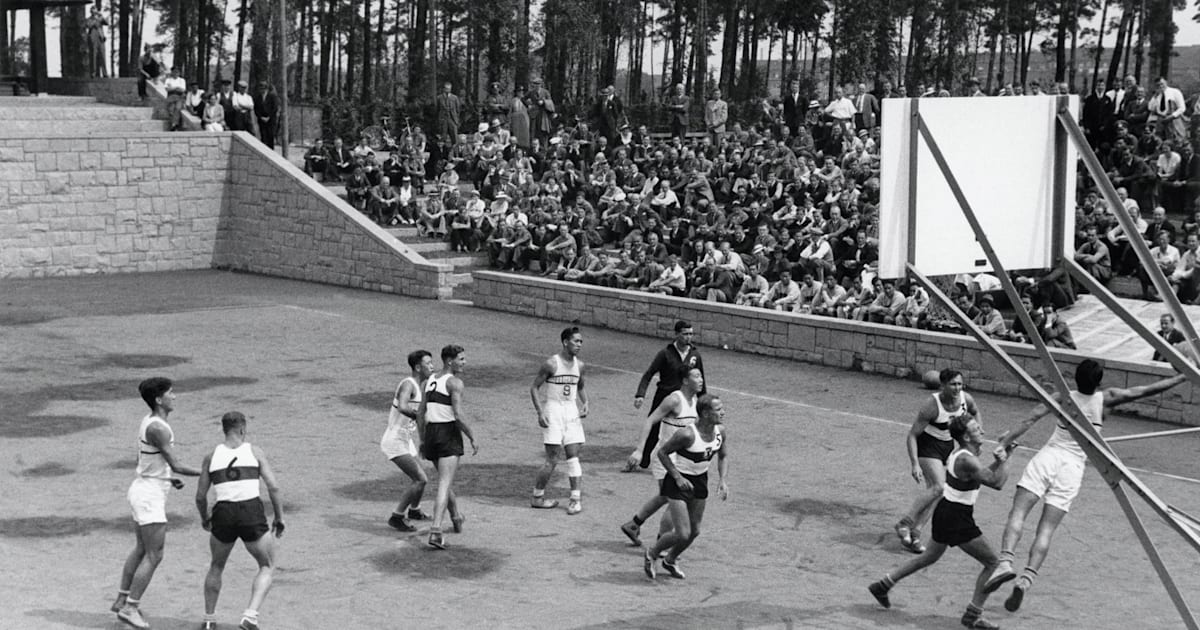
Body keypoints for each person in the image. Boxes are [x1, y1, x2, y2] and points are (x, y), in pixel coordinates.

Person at [983, 359, 1187, 613]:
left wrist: (1005, 441)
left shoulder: (1063, 396)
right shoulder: (1107, 399)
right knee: (1046, 530)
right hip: (1072, 467)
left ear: (1075, 377)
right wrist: (1182, 377)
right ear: (1099, 381)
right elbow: (1146, 391)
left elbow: (1030, 419)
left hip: (1050, 456)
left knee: (1019, 512)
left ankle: (1005, 561)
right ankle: (1026, 580)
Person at [869, 415, 1015, 630]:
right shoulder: (967, 459)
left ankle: (883, 585)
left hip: (946, 512)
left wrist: (1003, 454)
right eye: (976, 428)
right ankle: (973, 615)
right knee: (994, 565)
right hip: (957, 517)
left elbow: (983, 474)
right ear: (966, 436)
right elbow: (997, 482)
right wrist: (1006, 458)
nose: (981, 431)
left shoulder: (965, 455)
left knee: (929, 557)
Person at [111, 377, 202, 630]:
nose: (175, 397)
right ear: (159, 399)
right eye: (171, 393)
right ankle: (131, 607)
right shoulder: (159, 428)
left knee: (141, 549)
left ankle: (121, 600)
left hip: (146, 489)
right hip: (148, 496)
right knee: (155, 554)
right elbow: (178, 464)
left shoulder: (150, 422)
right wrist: (211, 472)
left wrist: (166, 478)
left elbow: (154, 461)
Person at [195, 412, 284, 630]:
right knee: (267, 565)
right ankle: (250, 616)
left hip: (223, 512)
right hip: (250, 511)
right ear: (243, 429)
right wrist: (279, 518)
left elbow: (200, 496)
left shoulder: (211, 456)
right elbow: (273, 486)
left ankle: (209, 620)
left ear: (223, 430)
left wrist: (205, 518)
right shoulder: (254, 451)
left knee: (216, 566)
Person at [643, 393, 729, 581]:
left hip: (700, 481)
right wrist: (678, 477)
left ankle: (670, 560)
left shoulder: (720, 431)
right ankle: (652, 552)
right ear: (705, 413)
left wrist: (722, 480)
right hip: (678, 482)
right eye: (718, 409)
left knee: (695, 531)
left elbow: (723, 455)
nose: (723, 412)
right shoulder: (687, 434)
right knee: (683, 533)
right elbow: (663, 453)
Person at [894, 369, 980, 555]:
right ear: (942, 385)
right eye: (953, 384)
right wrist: (915, 464)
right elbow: (912, 435)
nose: (957, 388)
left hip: (947, 448)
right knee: (939, 487)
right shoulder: (931, 405)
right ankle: (905, 522)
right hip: (928, 447)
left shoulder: (966, 399)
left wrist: (977, 432)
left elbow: (975, 412)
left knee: (941, 493)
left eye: (959, 384)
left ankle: (915, 534)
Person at [621, 365, 704, 547]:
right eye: (696, 376)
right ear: (684, 380)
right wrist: (640, 450)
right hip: (665, 458)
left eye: (700, 376)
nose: (701, 380)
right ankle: (662, 543)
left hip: (681, 459)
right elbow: (650, 420)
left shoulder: (696, 400)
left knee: (666, 496)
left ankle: (634, 524)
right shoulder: (674, 400)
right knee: (676, 500)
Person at [417, 345, 478, 549]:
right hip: (448, 434)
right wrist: (472, 436)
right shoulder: (455, 383)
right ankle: (436, 530)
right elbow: (458, 415)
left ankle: (456, 517)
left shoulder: (428, 381)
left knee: (446, 479)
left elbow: (420, 413)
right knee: (444, 483)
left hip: (432, 434)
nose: (464, 362)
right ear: (450, 361)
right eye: (461, 359)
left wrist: (423, 440)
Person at [626, 320, 706, 472]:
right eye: (685, 334)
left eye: (691, 334)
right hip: (663, 395)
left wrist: (704, 403)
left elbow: (701, 379)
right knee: (654, 428)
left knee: (685, 428)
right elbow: (649, 374)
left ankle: (682, 461)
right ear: (676, 334)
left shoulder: (695, 355)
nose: (688, 337)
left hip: (685, 398)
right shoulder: (665, 354)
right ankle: (643, 457)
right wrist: (640, 394)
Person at [530, 327, 589, 514]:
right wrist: (540, 412)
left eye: (581, 342)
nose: (579, 345)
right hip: (553, 409)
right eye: (576, 341)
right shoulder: (551, 364)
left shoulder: (580, 366)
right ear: (565, 342)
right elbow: (534, 388)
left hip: (571, 410)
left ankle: (575, 499)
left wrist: (586, 402)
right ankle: (537, 496)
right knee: (552, 459)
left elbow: (579, 386)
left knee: (573, 456)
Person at [382, 350, 437, 532]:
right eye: (428, 363)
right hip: (395, 440)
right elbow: (404, 406)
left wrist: (422, 441)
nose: (432, 366)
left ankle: (414, 510)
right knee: (420, 479)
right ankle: (396, 516)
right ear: (418, 367)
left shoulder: (421, 387)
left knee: (421, 476)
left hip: (406, 439)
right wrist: (418, 414)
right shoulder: (408, 384)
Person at [253, 82, 280, 150]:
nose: (262, 90)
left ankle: (271, 150)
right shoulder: (257, 97)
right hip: (262, 120)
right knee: (263, 135)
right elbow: (256, 109)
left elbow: (275, 108)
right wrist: (261, 117)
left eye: (264, 89)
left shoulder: (272, 96)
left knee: (270, 135)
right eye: (261, 89)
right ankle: (264, 150)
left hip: (271, 119)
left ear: (267, 89)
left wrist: (269, 117)